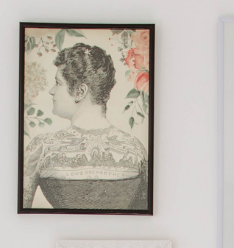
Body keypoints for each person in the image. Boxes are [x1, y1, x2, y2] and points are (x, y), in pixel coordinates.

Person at [22, 42, 149, 211]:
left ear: (80, 91)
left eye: (58, 83)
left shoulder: (42, 148)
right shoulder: (135, 149)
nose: (52, 91)